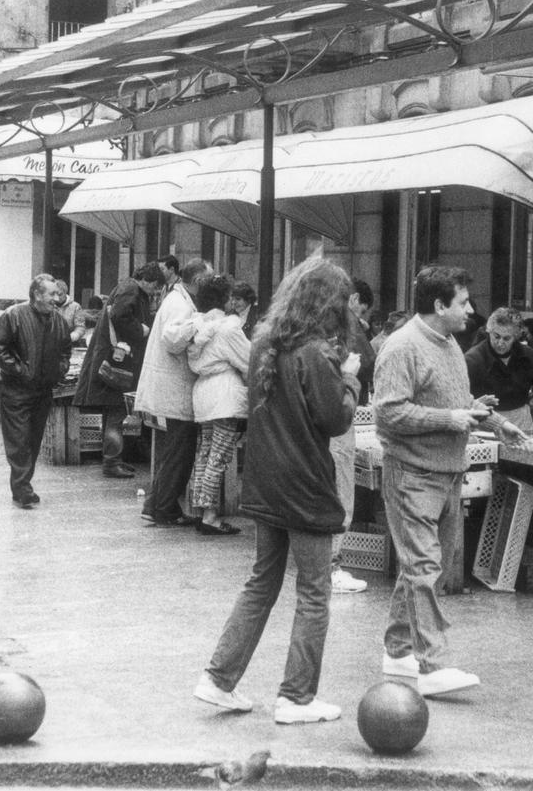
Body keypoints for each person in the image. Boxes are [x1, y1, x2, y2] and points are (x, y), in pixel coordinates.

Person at [193, 257, 360, 723]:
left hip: (266, 480)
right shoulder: (316, 353)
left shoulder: (264, 341)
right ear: (330, 304)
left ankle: (218, 678)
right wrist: (350, 376)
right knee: (313, 590)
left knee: (261, 582)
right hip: (305, 484)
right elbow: (334, 418)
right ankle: (297, 697)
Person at [373, 265, 522, 698]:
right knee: (424, 566)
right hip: (412, 473)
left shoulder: (451, 344)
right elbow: (389, 413)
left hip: (448, 473)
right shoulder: (402, 348)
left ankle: (398, 650)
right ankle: (431, 664)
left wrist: (492, 421)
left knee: (422, 567)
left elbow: (455, 404)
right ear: (439, 306)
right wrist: (453, 418)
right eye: (463, 303)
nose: (471, 311)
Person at [134, 258, 211, 527]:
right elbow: (172, 337)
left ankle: (155, 505)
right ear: (199, 281)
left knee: (175, 452)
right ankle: (163, 507)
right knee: (180, 451)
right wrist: (201, 322)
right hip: (175, 387)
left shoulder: (178, 299)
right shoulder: (180, 303)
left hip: (172, 386)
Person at [73, 262, 165, 478]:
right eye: (155, 287)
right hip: (116, 362)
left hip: (110, 358)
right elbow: (121, 316)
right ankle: (112, 463)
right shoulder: (131, 289)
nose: (154, 292)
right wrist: (140, 330)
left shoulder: (127, 287)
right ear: (148, 281)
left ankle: (113, 459)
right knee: (116, 411)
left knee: (112, 413)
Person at [0, 274, 72, 509]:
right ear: (37, 294)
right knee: (19, 440)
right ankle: (23, 487)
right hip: (17, 390)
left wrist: (60, 369)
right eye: (52, 294)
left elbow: (65, 348)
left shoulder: (58, 320)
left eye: (58, 294)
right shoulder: (14, 315)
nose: (57, 298)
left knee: (33, 439)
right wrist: (19, 370)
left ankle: (21, 485)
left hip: (44, 390)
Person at [186, 274, 249, 536]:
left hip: (203, 394)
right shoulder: (230, 328)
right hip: (224, 395)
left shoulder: (204, 326)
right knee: (219, 456)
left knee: (204, 455)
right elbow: (250, 361)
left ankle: (202, 510)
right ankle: (211, 516)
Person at [327, 277, 378, 594]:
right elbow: (367, 361)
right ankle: (331, 565)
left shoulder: (301, 327)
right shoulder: (346, 328)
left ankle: (322, 563)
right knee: (341, 492)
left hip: (311, 423)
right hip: (337, 419)